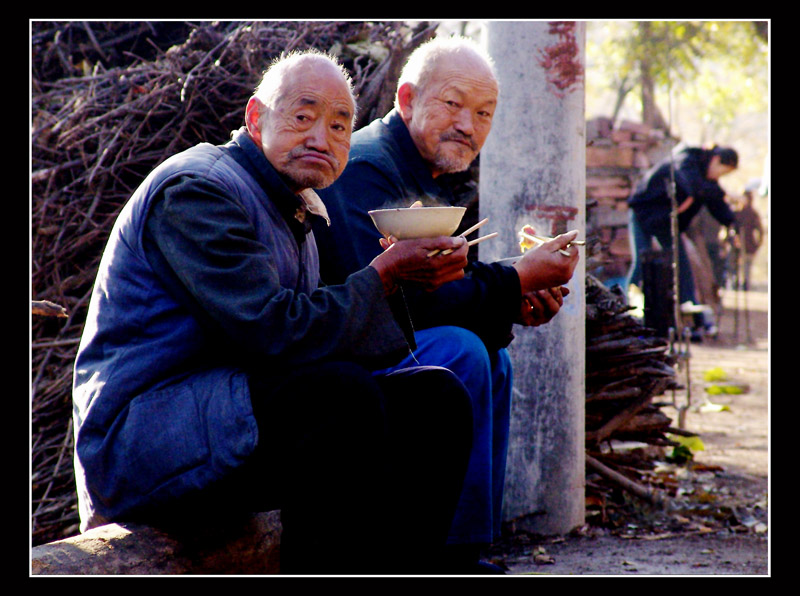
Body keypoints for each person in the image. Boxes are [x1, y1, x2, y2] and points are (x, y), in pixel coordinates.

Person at [71, 49, 480, 575]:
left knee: (434, 397)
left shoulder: (295, 204)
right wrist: (384, 276)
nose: (320, 138)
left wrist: (404, 275)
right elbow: (267, 332)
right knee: (339, 397)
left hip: (222, 417)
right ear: (255, 118)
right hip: (143, 442)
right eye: (303, 116)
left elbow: (318, 326)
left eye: (339, 125)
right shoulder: (199, 190)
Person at [313, 35, 580, 574]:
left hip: (387, 337)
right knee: (458, 351)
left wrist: (517, 300)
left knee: (492, 356)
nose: (468, 125)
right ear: (407, 100)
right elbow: (408, 293)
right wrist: (515, 280)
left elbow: (443, 283)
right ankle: (443, 553)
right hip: (334, 353)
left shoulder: (425, 174)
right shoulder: (367, 166)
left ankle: (468, 543)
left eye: (484, 113)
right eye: (453, 104)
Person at [625, 144, 739, 339]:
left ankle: (690, 310)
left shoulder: (708, 183)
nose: (720, 177)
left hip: (667, 222)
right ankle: (626, 306)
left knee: (681, 263)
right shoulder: (686, 159)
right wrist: (721, 193)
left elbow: (716, 204)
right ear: (715, 160)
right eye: (723, 171)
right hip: (644, 213)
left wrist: (732, 222)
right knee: (642, 261)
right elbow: (691, 185)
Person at [733, 188, 763, 291]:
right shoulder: (737, 213)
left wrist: (757, 244)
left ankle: (745, 283)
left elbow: (760, 231)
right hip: (737, 245)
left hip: (749, 245)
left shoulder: (753, 214)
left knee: (747, 266)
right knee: (735, 266)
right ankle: (736, 282)